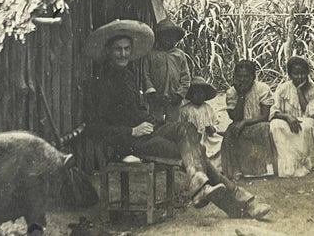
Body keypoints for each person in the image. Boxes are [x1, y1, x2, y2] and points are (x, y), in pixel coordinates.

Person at [84, 19, 270, 219]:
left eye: (126, 49)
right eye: (118, 49)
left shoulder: (128, 76)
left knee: (186, 127)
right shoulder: (101, 82)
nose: (123, 54)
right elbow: (94, 127)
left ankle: (204, 186)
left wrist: (159, 123)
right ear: (108, 51)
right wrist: (131, 131)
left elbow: (137, 111)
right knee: (195, 151)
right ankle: (236, 199)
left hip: (147, 132)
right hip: (127, 142)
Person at [269, 57, 314, 177]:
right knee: (275, 125)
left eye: (303, 73)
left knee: (306, 126)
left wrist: (299, 91)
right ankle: (287, 165)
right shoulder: (283, 88)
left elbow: (309, 112)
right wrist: (288, 117)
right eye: (295, 74)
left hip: (308, 121)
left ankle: (304, 164)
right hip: (288, 121)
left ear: (308, 73)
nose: (299, 77)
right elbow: (274, 111)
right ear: (289, 74)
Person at [221, 61, 275, 179]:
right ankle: (236, 170)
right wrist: (241, 95)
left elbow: (265, 116)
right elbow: (235, 117)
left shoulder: (262, 89)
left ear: (253, 77)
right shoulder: (231, 92)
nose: (242, 80)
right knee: (231, 131)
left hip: (258, 124)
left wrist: (245, 122)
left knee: (264, 128)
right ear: (234, 76)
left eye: (246, 76)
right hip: (240, 126)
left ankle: (261, 170)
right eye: (239, 76)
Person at [143, 18, 190, 122]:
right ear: (158, 37)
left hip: (174, 98)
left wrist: (179, 95)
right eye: (165, 35)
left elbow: (185, 77)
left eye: (172, 36)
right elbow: (146, 75)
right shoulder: (151, 54)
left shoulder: (179, 55)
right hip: (156, 98)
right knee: (155, 122)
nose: (169, 39)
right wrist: (152, 92)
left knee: (173, 124)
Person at [180, 76, 223, 172]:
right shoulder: (185, 110)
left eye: (201, 93)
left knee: (221, 143)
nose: (199, 95)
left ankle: (216, 168)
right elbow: (180, 126)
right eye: (196, 93)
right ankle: (198, 168)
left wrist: (213, 128)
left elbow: (216, 123)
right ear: (190, 95)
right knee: (195, 150)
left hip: (208, 137)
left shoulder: (208, 108)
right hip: (193, 139)